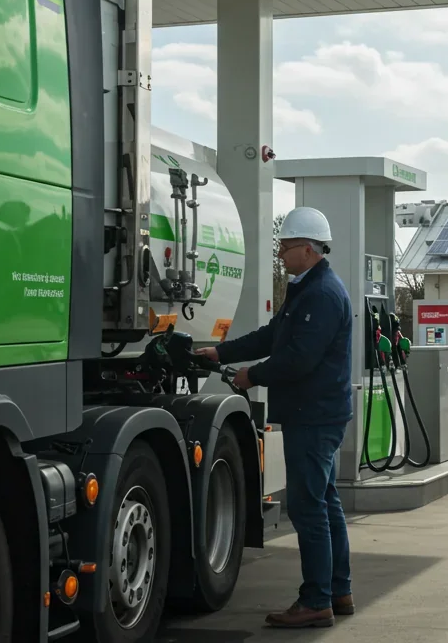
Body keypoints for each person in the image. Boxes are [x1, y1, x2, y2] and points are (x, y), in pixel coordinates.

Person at [195, 206, 354, 629]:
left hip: (314, 416)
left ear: (307, 248)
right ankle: (339, 590)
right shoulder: (309, 288)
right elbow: (274, 336)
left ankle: (316, 600)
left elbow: (298, 359)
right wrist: (222, 352)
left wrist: (251, 376)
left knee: (307, 508)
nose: (280, 253)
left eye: (285, 246)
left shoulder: (321, 294)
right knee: (326, 503)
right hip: (319, 413)